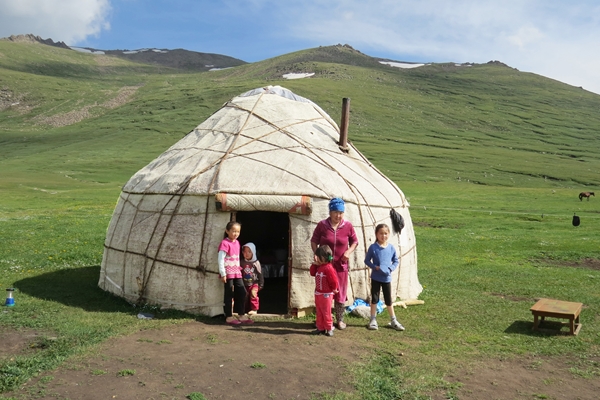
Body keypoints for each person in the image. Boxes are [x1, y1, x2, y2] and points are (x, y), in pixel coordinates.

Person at [311, 197, 358, 330]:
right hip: (325, 266)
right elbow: (314, 240)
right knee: (324, 292)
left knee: (340, 292)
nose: (338, 215)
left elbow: (355, 241)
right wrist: (317, 253)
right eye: (335, 212)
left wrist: (348, 252)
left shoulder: (348, 226)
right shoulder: (322, 225)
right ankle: (322, 319)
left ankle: (340, 320)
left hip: (341, 266)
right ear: (330, 212)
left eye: (341, 212)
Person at [364, 223, 405, 331]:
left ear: (389, 234)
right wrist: (375, 267)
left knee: (388, 299)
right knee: (375, 299)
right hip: (376, 277)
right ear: (376, 234)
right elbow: (367, 261)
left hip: (387, 278)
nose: (383, 236)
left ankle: (393, 320)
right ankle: (373, 319)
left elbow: (396, 261)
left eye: (385, 233)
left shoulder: (391, 248)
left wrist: (390, 269)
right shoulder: (373, 248)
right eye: (381, 233)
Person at [218, 221, 253, 325]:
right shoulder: (225, 243)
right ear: (227, 231)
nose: (236, 234)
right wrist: (223, 273)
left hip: (236, 272)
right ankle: (228, 316)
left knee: (242, 292)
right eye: (233, 231)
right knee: (229, 294)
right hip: (227, 273)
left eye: (238, 231)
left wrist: (238, 269)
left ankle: (241, 314)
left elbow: (236, 258)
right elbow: (220, 259)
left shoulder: (237, 243)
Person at [310, 245, 339, 336]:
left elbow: (334, 280)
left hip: (326, 294)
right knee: (319, 311)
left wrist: (334, 288)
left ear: (322, 257)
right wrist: (314, 264)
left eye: (317, 257)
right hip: (318, 293)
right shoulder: (320, 267)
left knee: (326, 312)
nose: (316, 258)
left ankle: (329, 328)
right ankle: (320, 328)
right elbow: (312, 273)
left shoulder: (328, 268)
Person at [241, 242, 264, 315]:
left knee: (253, 294)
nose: (246, 253)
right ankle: (244, 309)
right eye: (245, 251)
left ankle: (254, 309)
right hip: (244, 283)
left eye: (249, 252)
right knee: (244, 296)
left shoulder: (256, 263)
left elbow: (260, 273)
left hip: (254, 283)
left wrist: (261, 284)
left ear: (253, 252)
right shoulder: (241, 262)